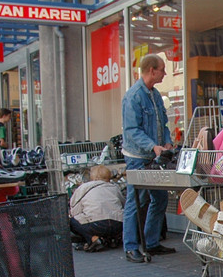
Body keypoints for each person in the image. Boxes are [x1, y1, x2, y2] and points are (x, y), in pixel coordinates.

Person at [121, 54, 176, 264]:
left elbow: (163, 124)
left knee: (160, 199)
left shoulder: (155, 95)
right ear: (152, 70)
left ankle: (151, 242)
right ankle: (131, 247)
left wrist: (167, 142)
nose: (165, 73)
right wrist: (153, 146)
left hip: (155, 156)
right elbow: (131, 130)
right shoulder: (133, 97)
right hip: (138, 157)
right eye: (162, 69)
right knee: (136, 200)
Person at [69, 165, 124, 252]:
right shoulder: (114, 187)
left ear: (92, 176)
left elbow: (75, 211)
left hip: (96, 226)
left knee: (73, 221)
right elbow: (123, 203)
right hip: (117, 224)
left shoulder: (83, 188)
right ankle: (113, 238)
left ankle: (93, 239)